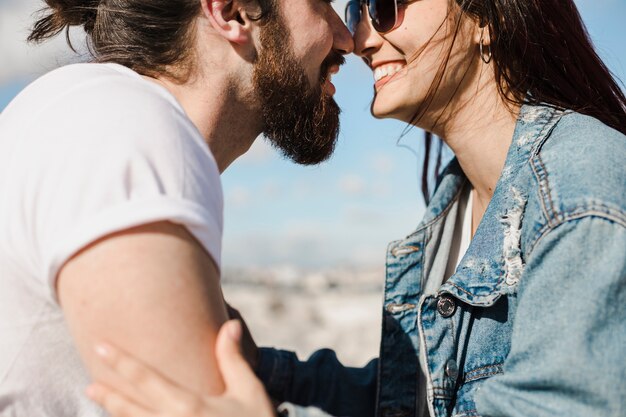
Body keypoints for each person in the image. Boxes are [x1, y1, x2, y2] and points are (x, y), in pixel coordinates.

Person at [84, 0, 626, 416]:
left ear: (484, 15)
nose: (362, 38)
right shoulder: (454, 210)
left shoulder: (582, 190)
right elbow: (421, 399)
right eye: (354, 9)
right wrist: (258, 368)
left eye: (386, 4)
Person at [0, 0, 353, 415]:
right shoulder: (132, 132)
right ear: (232, 13)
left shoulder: (93, 112)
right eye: (320, 4)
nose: (347, 38)